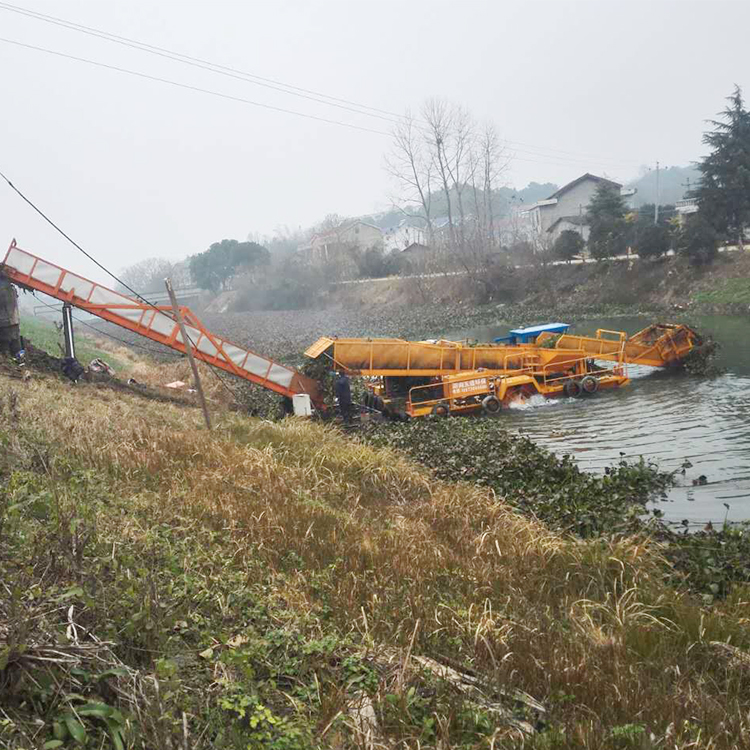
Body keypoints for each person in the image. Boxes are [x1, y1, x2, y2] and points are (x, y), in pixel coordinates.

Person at [0, 273, 22, 357]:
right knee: (15, 342)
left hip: (4, 321)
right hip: (13, 320)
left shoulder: (2, 289)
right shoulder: (11, 287)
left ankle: (7, 360)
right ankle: (19, 361)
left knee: (5, 344)